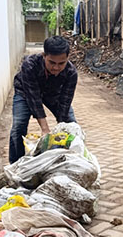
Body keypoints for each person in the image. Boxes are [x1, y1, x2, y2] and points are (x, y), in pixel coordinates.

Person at [9, 36, 78, 164]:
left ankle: (71, 161)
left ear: (67, 58)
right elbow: (33, 98)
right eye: (52, 62)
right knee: (18, 127)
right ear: (44, 55)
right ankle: (15, 165)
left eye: (61, 63)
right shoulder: (29, 65)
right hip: (25, 92)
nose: (56, 68)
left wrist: (61, 128)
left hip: (53, 94)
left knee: (72, 125)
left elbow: (65, 101)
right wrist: (45, 129)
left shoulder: (71, 72)